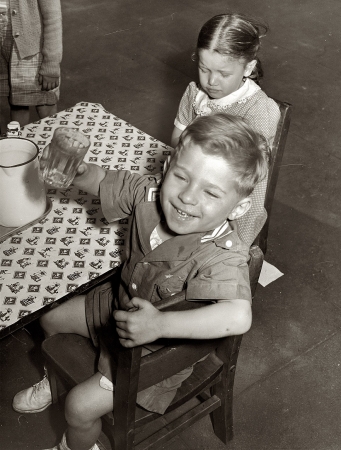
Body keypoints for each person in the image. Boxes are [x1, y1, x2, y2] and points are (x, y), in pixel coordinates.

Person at [12, 114, 269, 450]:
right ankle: (54, 381)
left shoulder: (222, 255)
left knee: (78, 408)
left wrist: (160, 324)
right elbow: (103, 180)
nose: (187, 197)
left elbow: (238, 315)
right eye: (181, 177)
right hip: (116, 305)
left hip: (153, 352)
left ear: (239, 208)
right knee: (49, 319)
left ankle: (75, 447)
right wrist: (79, 171)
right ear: (165, 170)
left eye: (210, 192)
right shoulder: (148, 194)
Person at [171, 13, 281, 246]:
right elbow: (175, 142)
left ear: (248, 67)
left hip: (230, 207)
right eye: (204, 69)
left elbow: (247, 185)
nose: (211, 81)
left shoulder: (258, 112)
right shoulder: (195, 93)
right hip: (192, 189)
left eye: (223, 74)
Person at [0, 0, 62, 131]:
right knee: (16, 103)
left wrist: (51, 64)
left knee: (45, 102)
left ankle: (52, 142)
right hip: (4, 54)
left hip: (32, 53)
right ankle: (20, 145)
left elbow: (53, 19)